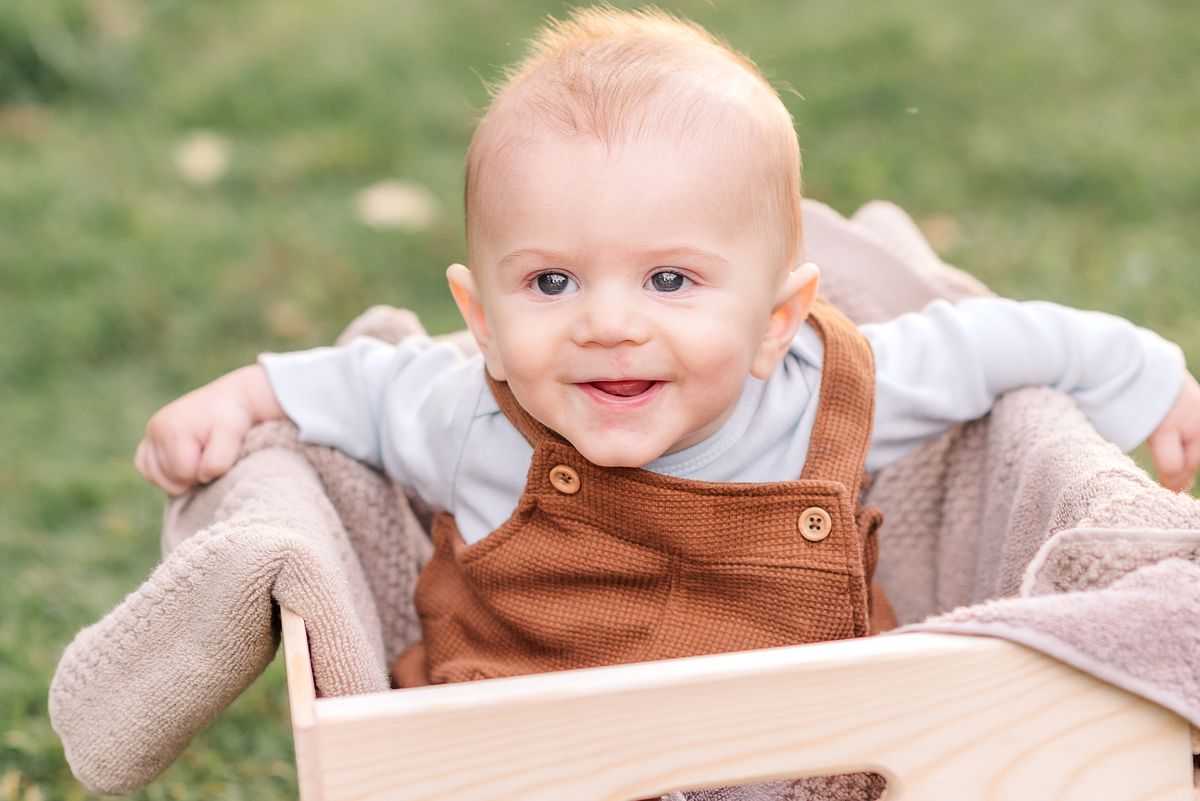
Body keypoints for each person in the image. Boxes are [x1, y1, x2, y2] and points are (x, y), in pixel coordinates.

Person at [136, 6, 1200, 686]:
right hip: (525, 759)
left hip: (808, 759)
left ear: (775, 321)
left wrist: (1150, 382)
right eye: (552, 282)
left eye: (670, 280)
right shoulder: (464, 413)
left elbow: (995, 343)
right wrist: (241, 396)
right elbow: (355, 392)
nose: (607, 323)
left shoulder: (823, 386)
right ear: (483, 323)